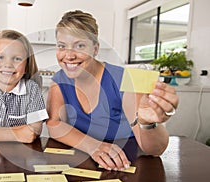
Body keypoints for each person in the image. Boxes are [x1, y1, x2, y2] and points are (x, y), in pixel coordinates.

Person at [46, 10, 179, 171]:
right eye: (62, 46)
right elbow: (54, 123)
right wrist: (93, 146)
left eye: (80, 46)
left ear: (95, 49)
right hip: (84, 161)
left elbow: (155, 150)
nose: (69, 55)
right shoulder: (59, 80)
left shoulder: (125, 79)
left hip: (125, 163)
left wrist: (147, 123)